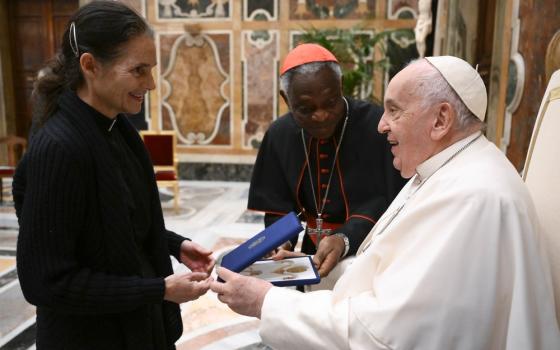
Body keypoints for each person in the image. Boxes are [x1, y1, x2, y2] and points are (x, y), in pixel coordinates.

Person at [211, 56, 560, 349]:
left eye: (394, 111)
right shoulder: (447, 172)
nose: (380, 125)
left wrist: (266, 301)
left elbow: (383, 335)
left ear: (440, 119)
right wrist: (311, 270)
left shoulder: (471, 198)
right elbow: (388, 276)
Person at [13, 2, 214, 349]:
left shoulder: (118, 129)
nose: (150, 83)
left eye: (150, 69)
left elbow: (113, 218)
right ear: (90, 65)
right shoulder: (60, 148)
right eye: (138, 70)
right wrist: (160, 289)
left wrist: (173, 244)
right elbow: (45, 282)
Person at [248, 43, 405, 278]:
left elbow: (386, 200)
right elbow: (277, 206)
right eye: (305, 108)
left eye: (331, 102)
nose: (321, 115)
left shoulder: (376, 127)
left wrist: (344, 238)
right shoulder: (279, 135)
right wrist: (280, 242)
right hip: (311, 255)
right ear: (285, 98)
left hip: (368, 250)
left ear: (340, 86)